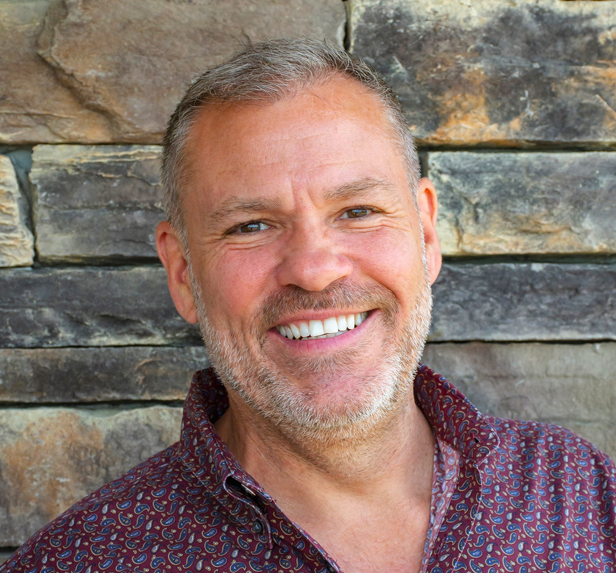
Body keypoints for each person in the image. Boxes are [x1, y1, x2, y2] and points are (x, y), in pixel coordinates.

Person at [3, 38, 615, 573]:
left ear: (426, 235)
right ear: (184, 273)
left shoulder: (578, 495)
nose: (316, 271)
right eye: (251, 225)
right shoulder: (83, 561)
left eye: (357, 212)